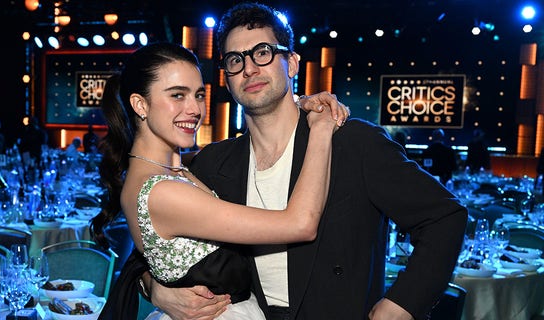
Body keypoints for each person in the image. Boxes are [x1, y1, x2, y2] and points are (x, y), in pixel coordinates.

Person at [126, 3, 469, 320]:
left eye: (263, 53)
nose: (249, 68)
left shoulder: (352, 142)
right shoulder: (213, 163)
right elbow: (154, 243)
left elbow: (445, 217)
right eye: (235, 60)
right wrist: (154, 289)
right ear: (226, 78)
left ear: (290, 63)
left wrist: (400, 306)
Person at [92, 42, 346, 320]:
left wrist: (297, 102)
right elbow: (301, 224)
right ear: (140, 104)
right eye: (177, 95)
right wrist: (321, 129)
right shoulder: (162, 191)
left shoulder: (169, 169)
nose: (194, 109)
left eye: (199, 95)